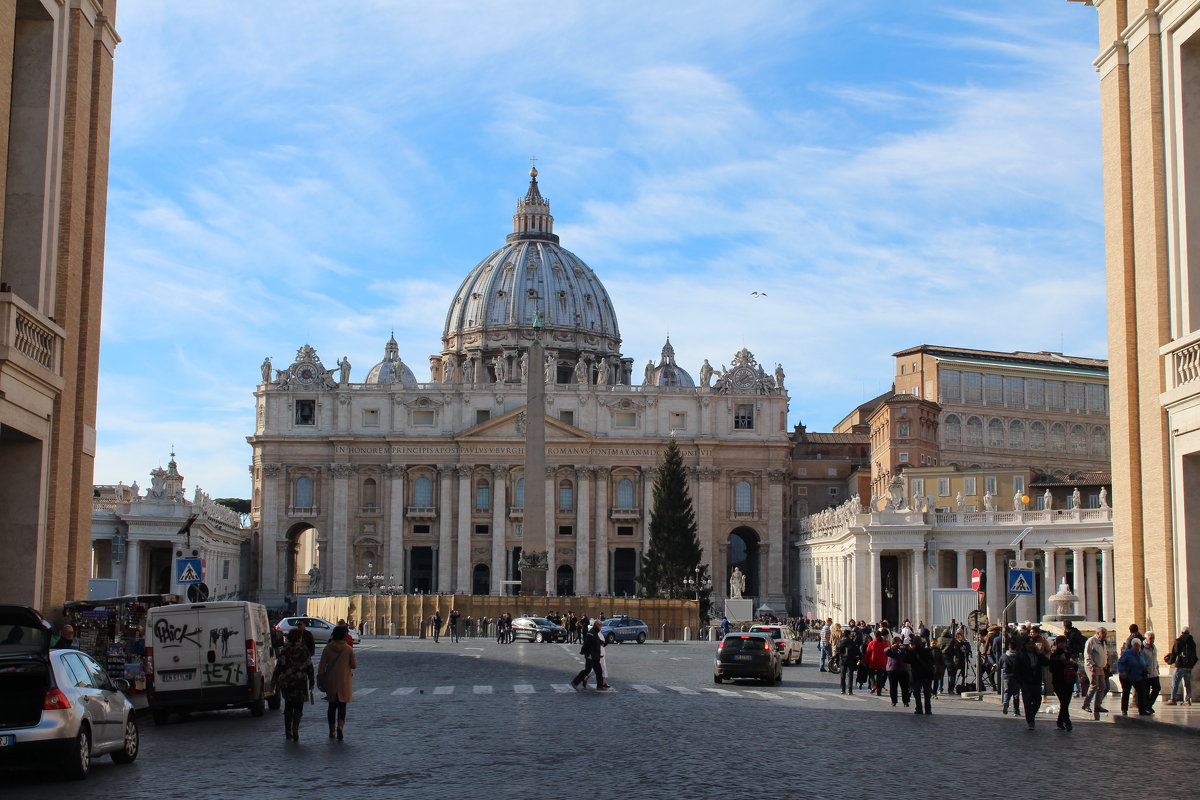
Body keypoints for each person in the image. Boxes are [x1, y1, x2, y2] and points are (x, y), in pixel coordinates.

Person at [272, 629, 315, 741]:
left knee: (288, 706)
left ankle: (288, 730)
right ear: (298, 637)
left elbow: (279, 666)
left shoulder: (285, 649)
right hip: (300, 681)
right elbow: (309, 665)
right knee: (299, 707)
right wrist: (312, 680)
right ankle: (295, 727)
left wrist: (274, 680)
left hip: (287, 681)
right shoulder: (303, 649)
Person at [317, 625, 357, 740]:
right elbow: (354, 665)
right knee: (342, 706)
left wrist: (320, 679)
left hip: (331, 681)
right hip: (344, 681)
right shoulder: (348, 649)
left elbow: (321, 666)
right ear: (344, 635)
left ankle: (332, 730)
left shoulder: (328, 648)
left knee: (331, 706)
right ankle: (340, 726)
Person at [1014, 637, 1050, 730]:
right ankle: (1030, 721)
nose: (1030, 646)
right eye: (1028, 644)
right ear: (1025, 645)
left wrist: (1040, 654)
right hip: (1025, 681)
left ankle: (1031, 715)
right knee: (1027, 701)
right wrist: (1019, 680)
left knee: (1037, 701)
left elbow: (1046, 662)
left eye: (1032, 644)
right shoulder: (1021, 654)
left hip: (1036, 681)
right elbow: (1016, 668)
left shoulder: (1037, 654)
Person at [1048, 635, 1078, 731]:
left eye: (1063, 642)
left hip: (1069, 682)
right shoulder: (1054, 655)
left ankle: (1060, 721)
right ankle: (1067, 722)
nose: (1062, 644)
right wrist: (1060, 661)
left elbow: (1074, 668)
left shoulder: (1068, 654)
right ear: (1057, 643)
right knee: (1064, 701)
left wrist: (1073, 664)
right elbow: (1052, 669)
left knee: (1066, 703)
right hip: (1059, 682)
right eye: (1060, 642)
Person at [1117, 637, 1151, 716]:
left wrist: (1145, 668)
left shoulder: (1140, 654)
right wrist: (1122, 672)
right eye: (1135, 645)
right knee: (1126, 692)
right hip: (1127, 677)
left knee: (1142, 692)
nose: (1137, 647)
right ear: (1132, 646)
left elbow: (1144, 663)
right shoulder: (1127, 653)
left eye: (1138, 645)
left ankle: (1142, 710)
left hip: (1138, 676)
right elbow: (1120, 663)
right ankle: (1124, 709)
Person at [1083, 627, 1111, 717]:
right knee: (1094, 685)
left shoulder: (1103, 642)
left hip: (1101, 667)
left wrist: (1105, 663)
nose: (1105, 636)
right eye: (1104, 634)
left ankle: (1097, 705)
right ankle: (1086, 704)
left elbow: (1104, 653)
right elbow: (1087, 654)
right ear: (1099, 633)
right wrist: (1092, 664)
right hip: (1092, 666)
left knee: (1102, 686)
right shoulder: (1092, 641)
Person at [1164, 626, 1196, 705]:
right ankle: (1187, 700)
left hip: (1180, 665)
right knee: (1187, 683)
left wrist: (1170, 661)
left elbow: (1175, 653)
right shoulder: (1192, 642)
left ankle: (1172, 699)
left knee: (1175, 682)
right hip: (1189, 666)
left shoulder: (1179, 641)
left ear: (1182, 632)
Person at [571, 620, 606, 690]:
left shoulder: (594, 633)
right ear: (597, 625)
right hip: (591, 655)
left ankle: (600, 686)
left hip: (595, 655)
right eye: (600, 626)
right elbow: (586, 644)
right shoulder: (591, 633)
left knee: (599, 671)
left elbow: (597, 641)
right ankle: (575, 682)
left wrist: (604, 642)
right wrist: (583, 651)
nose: (601, 628)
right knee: (587, 670)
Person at [908, 637, 935, 715]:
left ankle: (919, 708)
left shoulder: (912, 651)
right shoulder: (928, 651)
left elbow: (906, 660)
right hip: (927, 674)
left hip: (917, 674)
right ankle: (928, 709)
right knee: (927, 692)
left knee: (917, 692)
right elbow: (933, 660)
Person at [884, 637, 911, 708]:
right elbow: (885, 651)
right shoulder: (891, 649)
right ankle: (894, 701)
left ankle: (906, 701)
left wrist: (905, 647)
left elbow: (910, 651)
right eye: (896, 641)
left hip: (903, 669)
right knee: (893, 687)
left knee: (905, 687)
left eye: (898, 641)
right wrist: (891, 647)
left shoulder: (903, 648)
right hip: (892, 670)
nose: (897, 643)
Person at [836, 628, 862, 695]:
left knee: (842, 675)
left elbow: (837, 652)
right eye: (850, 633)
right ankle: (850, 690)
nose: (851, 634)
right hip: (850, 659)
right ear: (848, 634)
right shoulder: (851, 641)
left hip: (842, 660)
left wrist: (837, 661)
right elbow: (856, 650)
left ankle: (842, 689)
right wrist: (860, 657)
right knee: (850, 675)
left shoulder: (840, 641)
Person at [999, 645, 1021, 716]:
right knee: (1016, 694)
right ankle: (1016, 711)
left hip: (1006, 677)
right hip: (1016, 677)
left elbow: (1000, 665)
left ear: (1009, 648)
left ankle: (1005, 701)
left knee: (1007, 691)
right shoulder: (1019, 656)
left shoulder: (1004, 656)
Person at [864, 631, 889, 696]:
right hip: (882, 661)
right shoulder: (885, 644)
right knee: (880, 677)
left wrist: (864, 661)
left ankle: (873, 685)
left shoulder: (872, 643)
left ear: (874, 636)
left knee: (871, 674)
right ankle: (879, 692)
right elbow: (888, 654)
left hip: (873, 661)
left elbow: (868, 653)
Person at [1142, 630, 1161, 711]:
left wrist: (1157, 669)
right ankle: (1146, 706)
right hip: (1146, 673)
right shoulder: (1142, 648)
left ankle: (1149, 705)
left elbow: (1155, 659)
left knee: (1157, 688)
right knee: (1146, 691)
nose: (1152, 640)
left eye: (1153, 638)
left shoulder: (1154, 647)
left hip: (1154, 673)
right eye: (1150, 638)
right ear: (1146, 638)